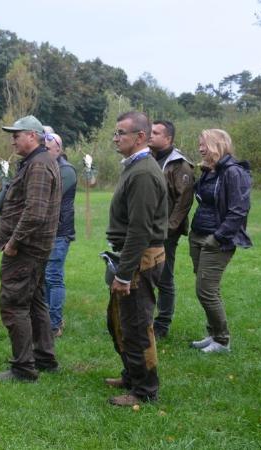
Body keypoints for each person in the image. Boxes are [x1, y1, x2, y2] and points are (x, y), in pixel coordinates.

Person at [103, 111, 168, 407]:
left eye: (121, 133)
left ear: (140, 137)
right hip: (133, 257)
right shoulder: (135, 166)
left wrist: (125, 274)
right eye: (115, 133)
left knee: (138, 325)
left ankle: (144, 390)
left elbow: (140, 229)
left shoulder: (142, 172)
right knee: (121, 322)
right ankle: (131, 375)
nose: (116, 138)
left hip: (141, 259)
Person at [0, 115, 61, 382]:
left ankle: (23, 368)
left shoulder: (39, 166)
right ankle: (44, 357)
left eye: (16, 135)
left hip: (26, 250)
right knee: (35, 302)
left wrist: (13, 243)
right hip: (34, 249)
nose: (13, 140)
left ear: (32, 136)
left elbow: (35, 212)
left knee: (13, 304)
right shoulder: (38, 162)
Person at [188, 129, 251, 353]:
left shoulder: (234, 173)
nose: (200, 148)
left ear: (217, 145)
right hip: (198, 235)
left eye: (203, 144)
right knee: (208, 289)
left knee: (205, 290)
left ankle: (222, 341)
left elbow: (238, 210)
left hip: (217, 239)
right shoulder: (210, 171)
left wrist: (217, 237)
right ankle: (214, 334)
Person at [148, 120, 195, 339]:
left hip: (165, 232)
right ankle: (143, 319)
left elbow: (183, 203)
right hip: (144, 228)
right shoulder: (147, 158)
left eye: (156, 132)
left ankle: (162, 325)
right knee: (144, 275)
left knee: (164, 277)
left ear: (168, 138)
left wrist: (168, 229)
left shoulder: (180, 165)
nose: (151, 135)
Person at [44, 132, 76, 338]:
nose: (44, 152)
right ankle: (47, 318)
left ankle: (54, 324)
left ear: (58, 149)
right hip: (46, 231)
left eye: (47, 148)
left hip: (59, 231)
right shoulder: (48, 167)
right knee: (46, 277)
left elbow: (47, 195)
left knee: (53, 277)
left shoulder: (66, 170)